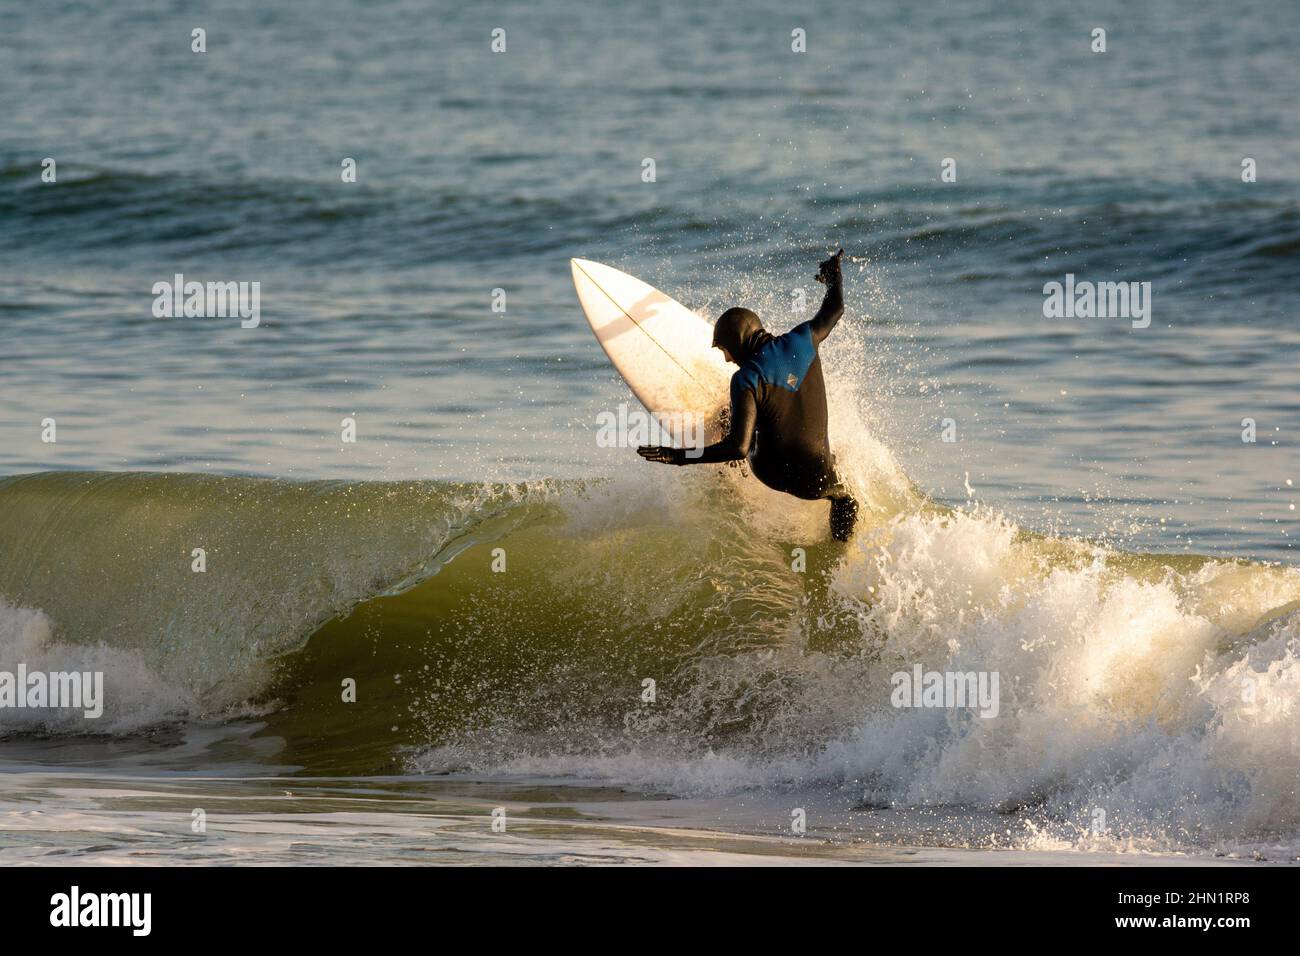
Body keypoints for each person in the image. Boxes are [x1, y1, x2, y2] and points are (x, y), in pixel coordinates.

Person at [637, 249, 859, 541]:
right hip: (818, 477)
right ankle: (841, 548)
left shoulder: (746, 379)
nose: (728, 359)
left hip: (774, 472)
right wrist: (833, 277)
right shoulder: (806, 337)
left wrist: (677, 456)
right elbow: (835, 308)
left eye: (724, 350)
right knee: (845, 498)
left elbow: (738, 448)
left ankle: (729, 481)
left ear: (737, 342)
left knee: (728, 415)